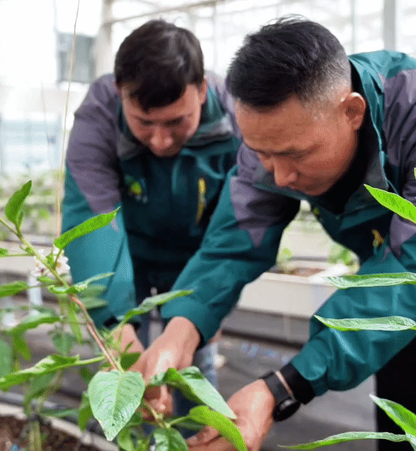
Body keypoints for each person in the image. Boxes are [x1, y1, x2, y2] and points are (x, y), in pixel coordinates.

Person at [132, 16, 416, 451]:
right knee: (399, 401)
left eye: (295, 155)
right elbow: (234, 241)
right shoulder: (275, 139)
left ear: (352, 112)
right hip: (384, 261)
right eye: (261, 154)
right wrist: (181, 330)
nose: (280, 176)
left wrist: (280, 388)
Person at [61, 19, 241, 412]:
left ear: (202, 90)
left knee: (193, 363)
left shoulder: (236, 116)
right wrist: (118, 334)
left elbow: (240, 225)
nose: (161, 141)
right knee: (119, 369)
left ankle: (196, 431)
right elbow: (90, 221)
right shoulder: (99, 117)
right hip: (126, 256)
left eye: (177, 122)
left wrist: (207, 306)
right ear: (119, 93)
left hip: (196, 259)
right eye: (144, 123)